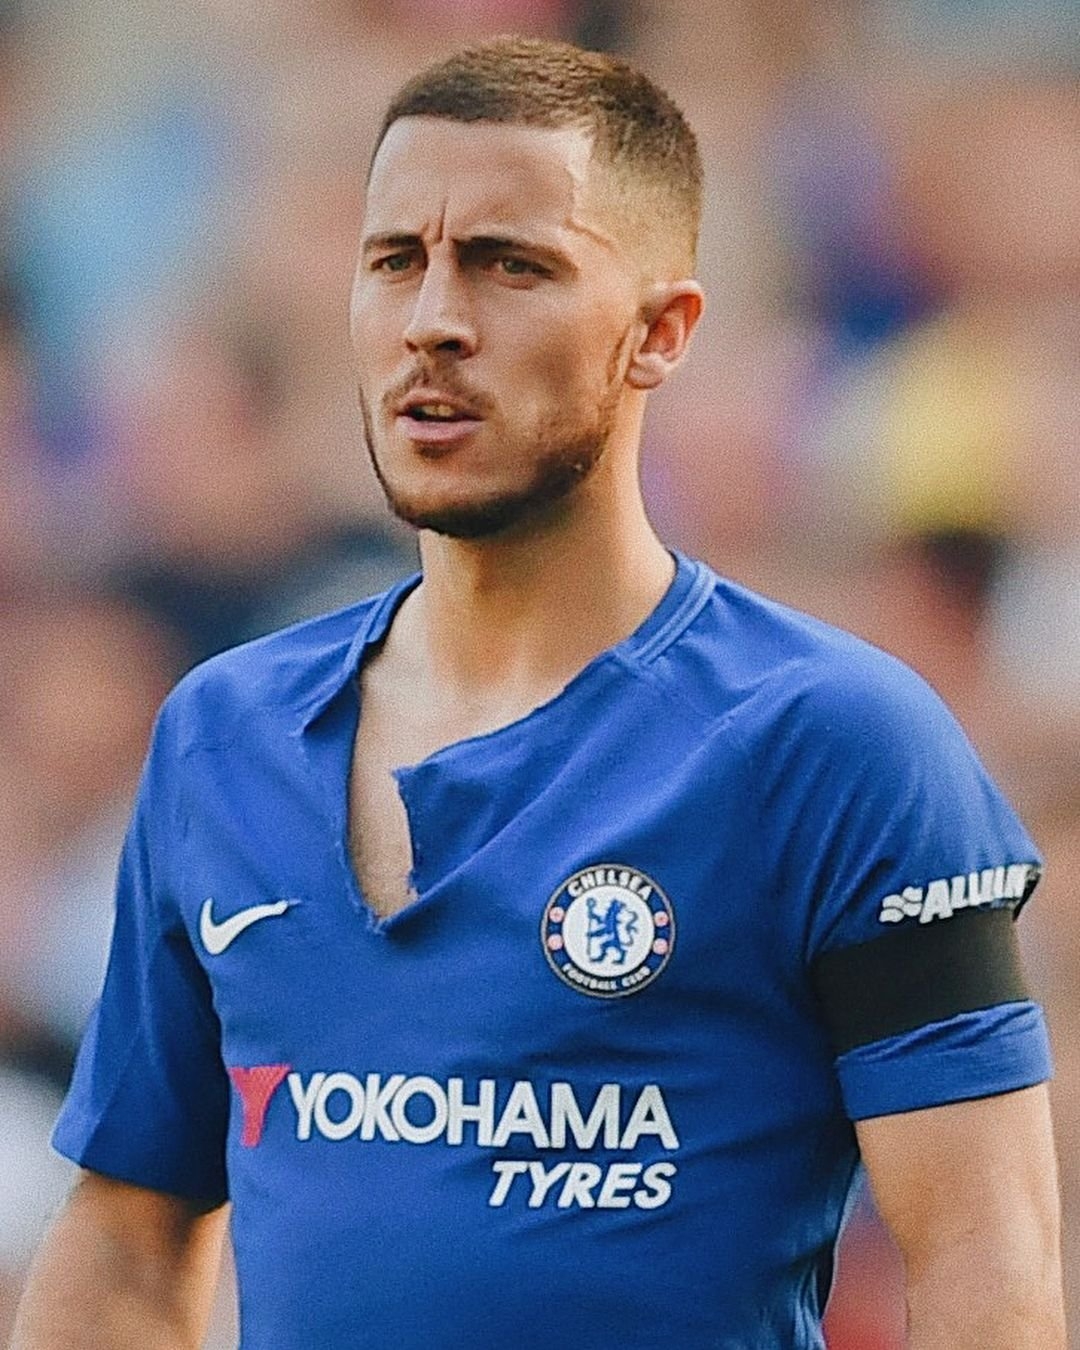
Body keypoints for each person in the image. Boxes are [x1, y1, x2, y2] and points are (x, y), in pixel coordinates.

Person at [12, 36, 1066, 1350]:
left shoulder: (837, 740)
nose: (433, 321)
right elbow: (125, 1240)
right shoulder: (225, 731)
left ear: (660, 333)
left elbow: (986, 1267)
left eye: (511, 264)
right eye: (393, 260)